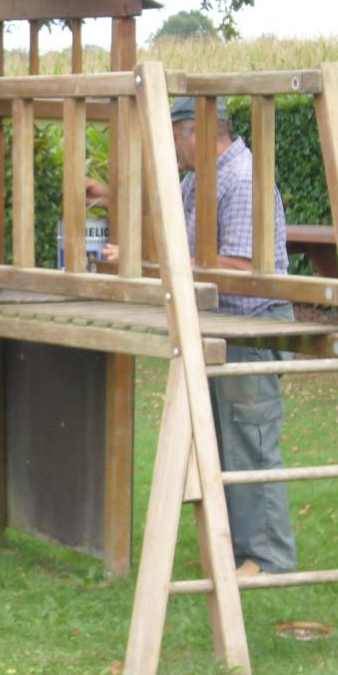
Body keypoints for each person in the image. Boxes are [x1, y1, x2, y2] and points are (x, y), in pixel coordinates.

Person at [89, 96, 296, 576]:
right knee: (219, 442)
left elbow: (241, 268)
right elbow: (177, 245)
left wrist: (150, 262)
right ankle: (237, 551)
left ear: (198, 132)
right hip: (218, 323)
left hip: (253, 323)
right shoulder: (196, 181)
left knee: (250, 439)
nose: (173, 148)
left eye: (174, 135)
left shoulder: (242, 180)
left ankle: (269, 559)